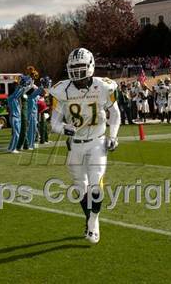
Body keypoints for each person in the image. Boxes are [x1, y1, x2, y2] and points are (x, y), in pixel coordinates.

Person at [49, 47, 121, 244]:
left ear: (90, 66)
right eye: (73, 67)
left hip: (97, 141)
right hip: (75, 144)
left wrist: (112, 136)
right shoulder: (61, 89)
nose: (77, 72)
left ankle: (93, 223)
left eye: (80, 67)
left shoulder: (104, 86)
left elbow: (115, 113)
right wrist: (65, 129)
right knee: (81, 189)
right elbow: (54, 122)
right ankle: (89, 218)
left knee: (95, 187)